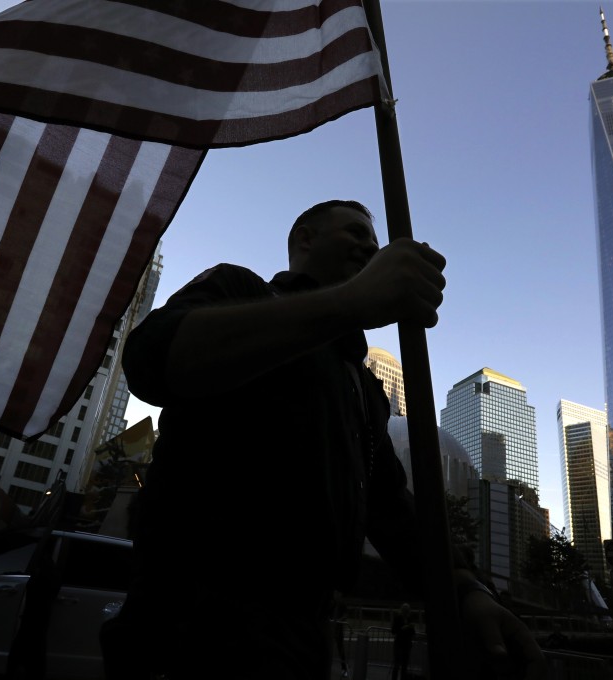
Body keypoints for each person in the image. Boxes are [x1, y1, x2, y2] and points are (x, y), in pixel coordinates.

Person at [103, 200, 545, 680]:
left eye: (374, 245)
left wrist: (465, 588)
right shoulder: (238, 289)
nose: (368, 248)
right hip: (193, 624)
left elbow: (392, 508)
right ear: (305, 240)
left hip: (306, 637)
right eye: (354, 233)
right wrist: (352, 301)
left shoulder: (363, 388)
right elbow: (153, 357)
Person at [391, 603, 415, 680]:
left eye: (407, 611)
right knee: (397, 665)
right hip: (399, 644)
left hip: (407, 645)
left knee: (404, 666)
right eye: (405, 611)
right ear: (402, 610)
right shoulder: (398, 618)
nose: (406, 612)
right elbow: (393, 631)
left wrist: (411, 628)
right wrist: (402, 628)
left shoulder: (409, 618)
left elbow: (412, 632)